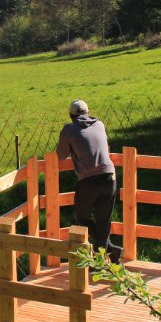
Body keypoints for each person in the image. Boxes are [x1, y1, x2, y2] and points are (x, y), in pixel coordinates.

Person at [56, 99, 122, 263]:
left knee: (83, 217)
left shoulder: (69, 129)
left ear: (71, 115)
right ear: (88, 112)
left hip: (88, 179)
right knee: (103, 220)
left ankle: (99, 260)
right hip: (109, 176)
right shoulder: (99, 124)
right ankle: (111, 251)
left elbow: (60, 155)